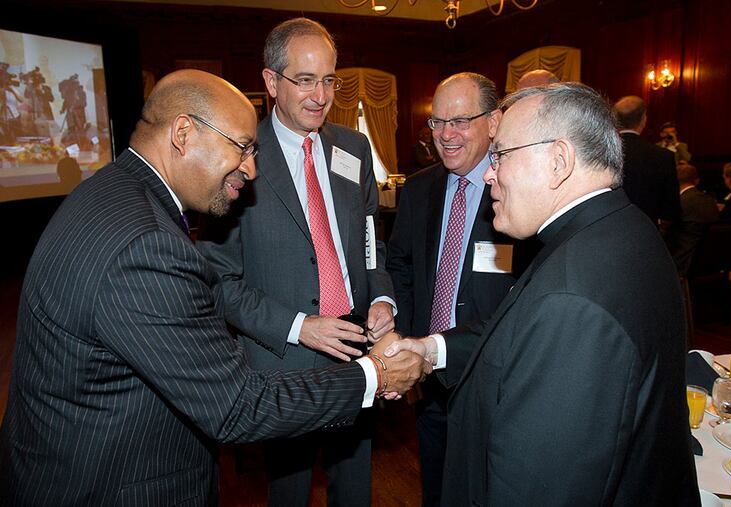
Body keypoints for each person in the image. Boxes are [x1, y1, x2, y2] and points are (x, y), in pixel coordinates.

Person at [0, 69, 428, 506]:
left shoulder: (107, 191)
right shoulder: (148, 245)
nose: (251, 167)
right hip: (110, 485)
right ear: (183, 133)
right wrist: (375, 374)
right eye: (242, 147)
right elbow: (236, 407)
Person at [384, 82, 699, 505]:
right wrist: (430, 350)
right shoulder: (622, 228)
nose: (489, 173)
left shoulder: (573, 301)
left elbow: (539, 487)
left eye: (501, 155)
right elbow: (515, 332)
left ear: (558, 160)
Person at [196, 18, 396, 507]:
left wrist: (382, 295)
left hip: (356, 345)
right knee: (289, 489)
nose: (320, 95)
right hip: (283, 356)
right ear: (270, 83)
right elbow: (219, 283)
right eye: (304, 80)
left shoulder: (353, 148)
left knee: (355, 484)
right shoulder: (238, 158)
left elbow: (371, 237)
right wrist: (299, 326)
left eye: (329, 79)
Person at [387, 72, 526, 507]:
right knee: (437, 486)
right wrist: (411, 342)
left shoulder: (519, 192)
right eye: (437, 122)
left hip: (496, 376)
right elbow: (401, 266)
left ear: (494, 122)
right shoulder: (419, 188)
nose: (446, 135)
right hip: (431, 380)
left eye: (460, 121)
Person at [613, 95, 680, 230]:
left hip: (607, 232)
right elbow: (670, 211)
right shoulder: (663, 157)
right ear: (643, 119)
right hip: (648, 233)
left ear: (616, 121)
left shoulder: (600, 153)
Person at [666, 163, 719, 275]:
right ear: (696, 181)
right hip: (713, 257)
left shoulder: (679, 203)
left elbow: (667, 232)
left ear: (674, 182)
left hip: (684, 259)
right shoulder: (711, 201)